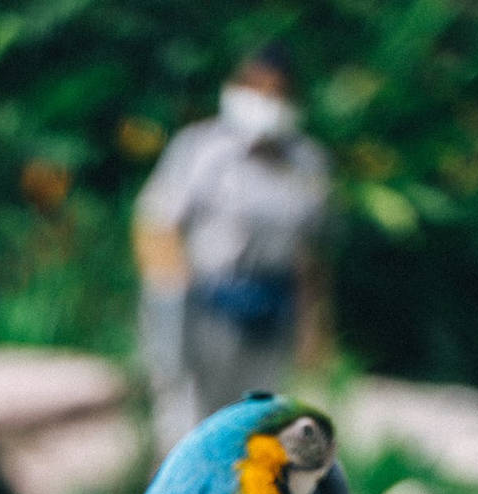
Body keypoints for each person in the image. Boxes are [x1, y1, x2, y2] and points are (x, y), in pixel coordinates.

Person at [133, 46, 332, 458]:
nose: (266, 101)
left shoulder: (307, 162)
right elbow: (156, 225)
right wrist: (170, 303)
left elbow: (311, 252)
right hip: (205, 302)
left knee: (252, 428)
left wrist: (313, 326)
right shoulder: (202, 148)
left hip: (269, 307)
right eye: (256, 88)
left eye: (277, 92)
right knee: (186, 426)